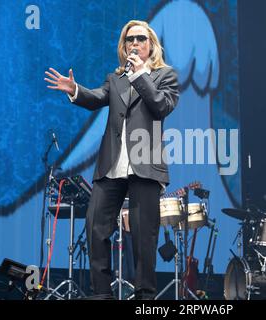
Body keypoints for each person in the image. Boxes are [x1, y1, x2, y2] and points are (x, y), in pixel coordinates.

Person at [44, 20, 179, 299]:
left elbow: (161, 105)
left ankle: (144, 296)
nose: (135, 44)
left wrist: (140, 75)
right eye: (129, 40)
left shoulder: (165, 75)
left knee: (144, 238)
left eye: (141, 38)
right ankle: (102, 293)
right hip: (112, 166)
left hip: (146, 165)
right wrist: (75, 90)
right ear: (124, 46)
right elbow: (97, 97)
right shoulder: (115, 78)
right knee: (95, 228)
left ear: (150, 44)